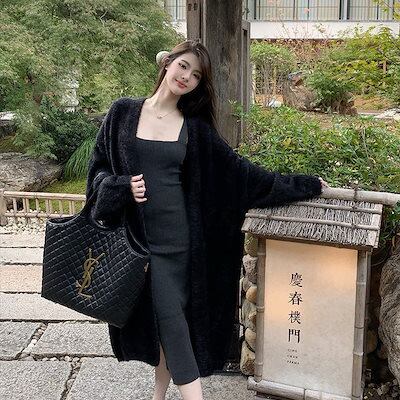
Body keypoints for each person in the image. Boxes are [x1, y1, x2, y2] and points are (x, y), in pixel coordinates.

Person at [85, 39, 328, 400]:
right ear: (167, 63)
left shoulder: (195, 129)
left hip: (183, 246)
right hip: (140, 245)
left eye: (196, 74)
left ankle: (163, 396)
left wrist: (306, 185)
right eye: (183, 66)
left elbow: (243, 176)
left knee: (171, 324)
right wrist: (120, 187)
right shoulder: (123, 113)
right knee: (170, 324)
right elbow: (97, 172)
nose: (186, 76)